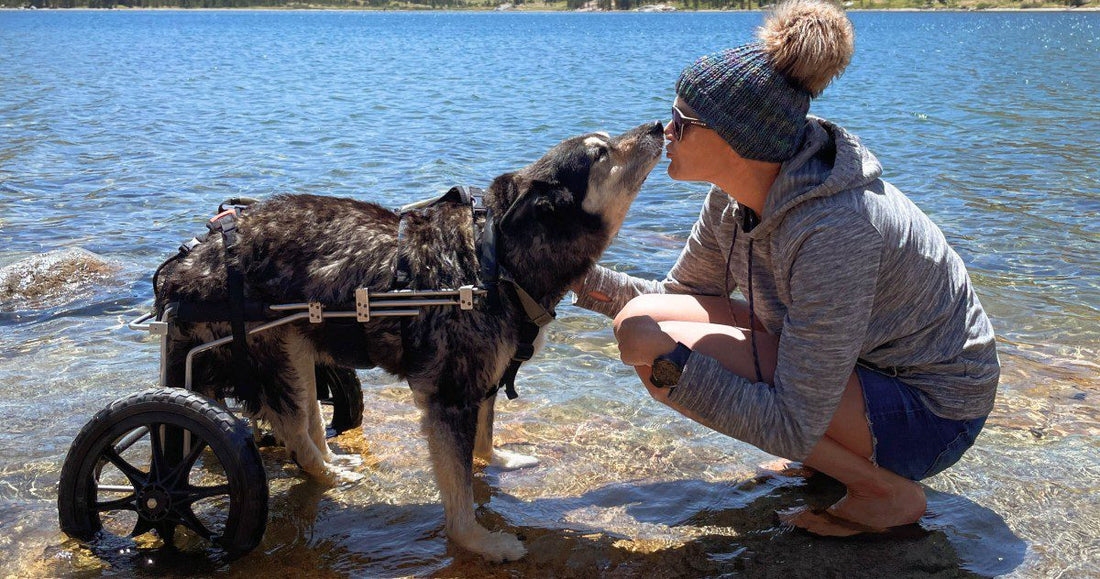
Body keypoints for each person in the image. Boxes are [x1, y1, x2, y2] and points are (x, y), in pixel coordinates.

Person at [570, 0, 998, 536]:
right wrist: (569, 273)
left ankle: (882, 489)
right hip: (864, 373)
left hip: (931, 412)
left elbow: (792, 417)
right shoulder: (736, 196)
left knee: (647, 339)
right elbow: (683, 292)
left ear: (738, 140)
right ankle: (826, 458)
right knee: (644, 315)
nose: (665, 133)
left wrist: (674, 374)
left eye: (681, 123)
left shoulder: (835, 229)